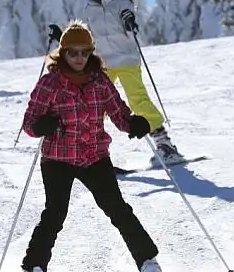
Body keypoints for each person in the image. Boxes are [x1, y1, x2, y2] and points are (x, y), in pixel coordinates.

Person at [20, 21, 163, 272]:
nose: (79, 58)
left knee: (117, 209)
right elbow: (29, 123)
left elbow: (119, 113)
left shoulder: (100, 81)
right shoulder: (50, 83)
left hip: (94, 156)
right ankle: (35, 265)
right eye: (72, 52)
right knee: (55, 214)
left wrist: (134, 124)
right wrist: (41, 126)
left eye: (84, 52)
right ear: (63, 52)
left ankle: (147, 260)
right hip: (58, 158)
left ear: (91, 52)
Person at [47, 0, 182, 164]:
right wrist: (63, 37)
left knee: (137, 100)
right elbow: (86, 36)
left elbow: (129, 21)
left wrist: (129, 21)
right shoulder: (89, 8)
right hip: (102, 64)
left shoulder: (122, 3)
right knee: (93, 106)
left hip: (126, 59)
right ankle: (92, 152)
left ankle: (164, 144)